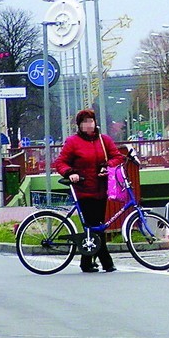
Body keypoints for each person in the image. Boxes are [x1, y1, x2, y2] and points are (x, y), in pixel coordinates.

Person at [54, 109, 124, 273]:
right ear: (79, 125)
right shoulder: (73, 142)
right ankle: (107, 263)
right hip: (83, 190)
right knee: (95, 226)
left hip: (101, 190)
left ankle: (87, 262)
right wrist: (71, 173)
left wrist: (107, 166)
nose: (88, 124)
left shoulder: (103, 140)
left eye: (91, 121)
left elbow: (117, 156)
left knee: (95, 227)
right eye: (85, 122)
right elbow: (60, 163)